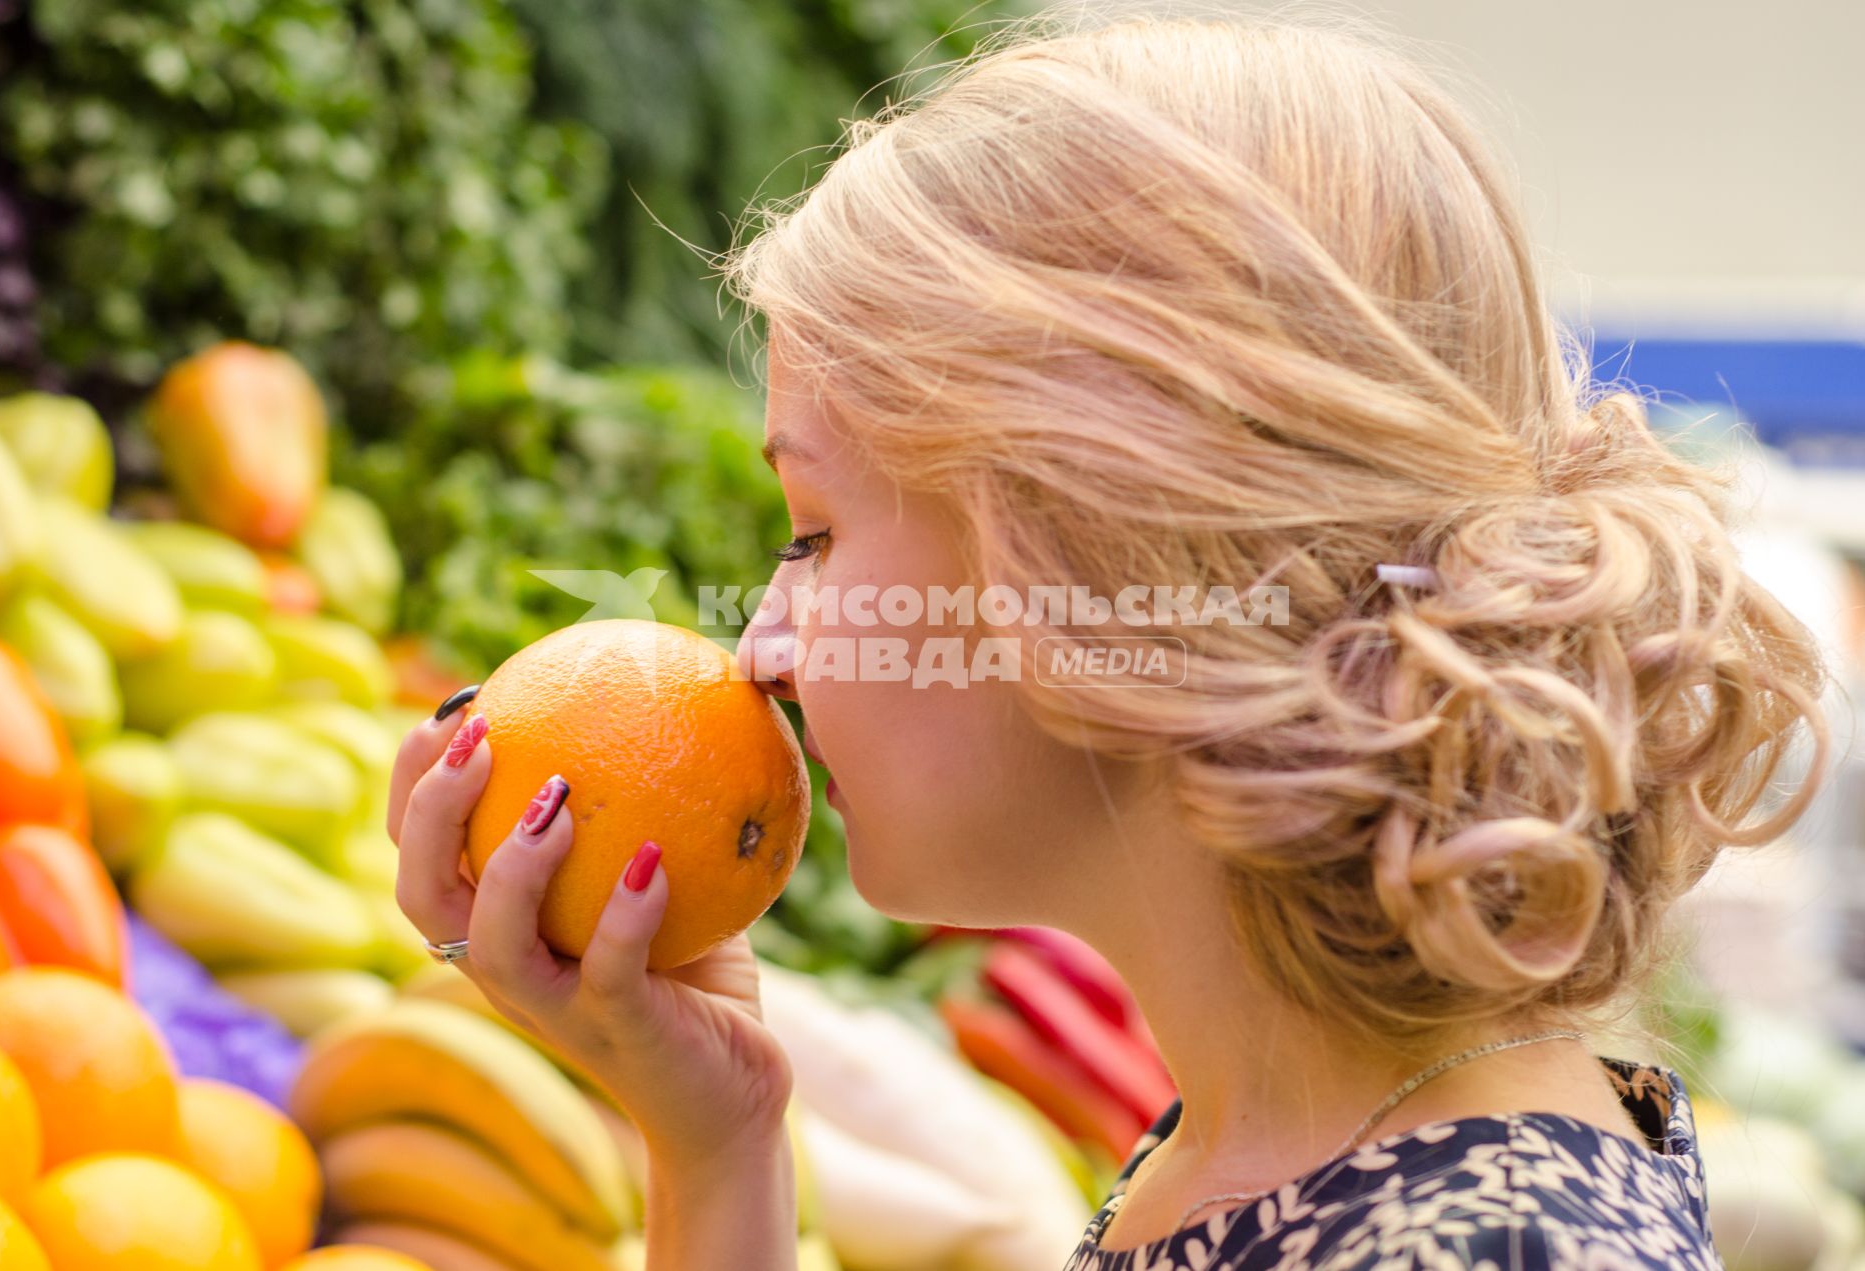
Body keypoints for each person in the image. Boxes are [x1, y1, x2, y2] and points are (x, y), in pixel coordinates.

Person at [387, 3, 1832, 1266]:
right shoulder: (1290, 1142)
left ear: (1092, 549)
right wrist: (720, 1142)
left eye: (816, 533)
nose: (761, 644)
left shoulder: (1471, 1249)